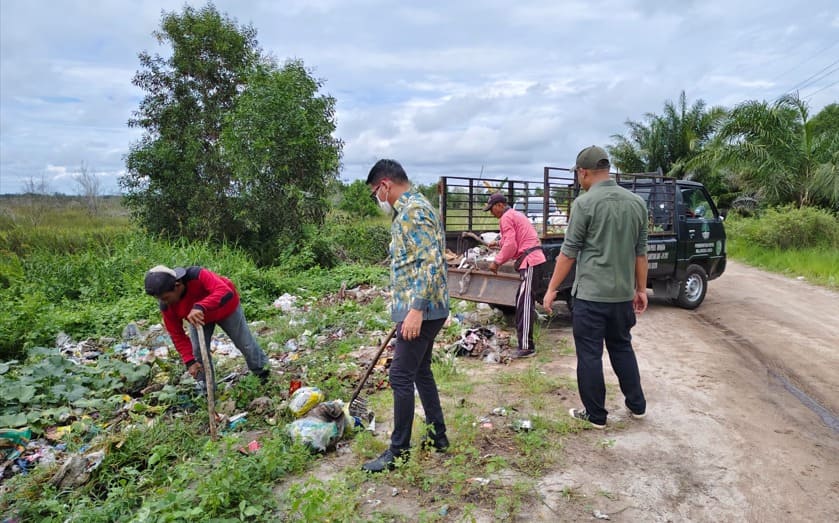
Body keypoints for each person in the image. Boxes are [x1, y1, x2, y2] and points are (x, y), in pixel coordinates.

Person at [542, 146, 648, 429]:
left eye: (578, 174)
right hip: (622, 295)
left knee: (589, 355)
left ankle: (596, 415)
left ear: (583, 172)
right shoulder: (636, 203)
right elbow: (641, 254)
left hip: (591, 297)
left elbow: (568, 253)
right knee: (622, 347)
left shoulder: (584, 204)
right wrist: (640, 289)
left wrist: (552, 288)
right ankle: (637, 405)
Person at [362, 159, 450, 473]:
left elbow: (430, 262)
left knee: (400, 376)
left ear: (385, 184)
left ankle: (397, 452)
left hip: (422, 310)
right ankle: (438, 436)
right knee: (421, 371)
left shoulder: (414, 212)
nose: (378, 198)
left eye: (376, 191)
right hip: (420, 308)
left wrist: (414, 310)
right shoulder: (414, 209)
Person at [144, 265, 270, 391]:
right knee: (198, 353)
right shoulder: (167, 306)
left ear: (177, 285)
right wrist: (189, 362)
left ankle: (262, 373)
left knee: (245, 343)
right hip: (198, 319)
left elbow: (225, 292)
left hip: (225, 308)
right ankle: (207, 387)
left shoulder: (196, 275)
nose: (164, 302)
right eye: (160, 299)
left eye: (166, 298)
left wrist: (200, 307)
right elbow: (177, 334)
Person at [484, 192, 547, 358]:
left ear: (499, 205)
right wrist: (498, 243)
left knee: (524, 304)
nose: (492, 213)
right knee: (522, 302)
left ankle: (526, 347)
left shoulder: (506, 217)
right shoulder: (514, 215)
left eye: (492, 209)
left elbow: (511, 245)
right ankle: (524, 343)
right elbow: (511, 240)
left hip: (530, 261)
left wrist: (497, 262)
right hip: (531, 260)